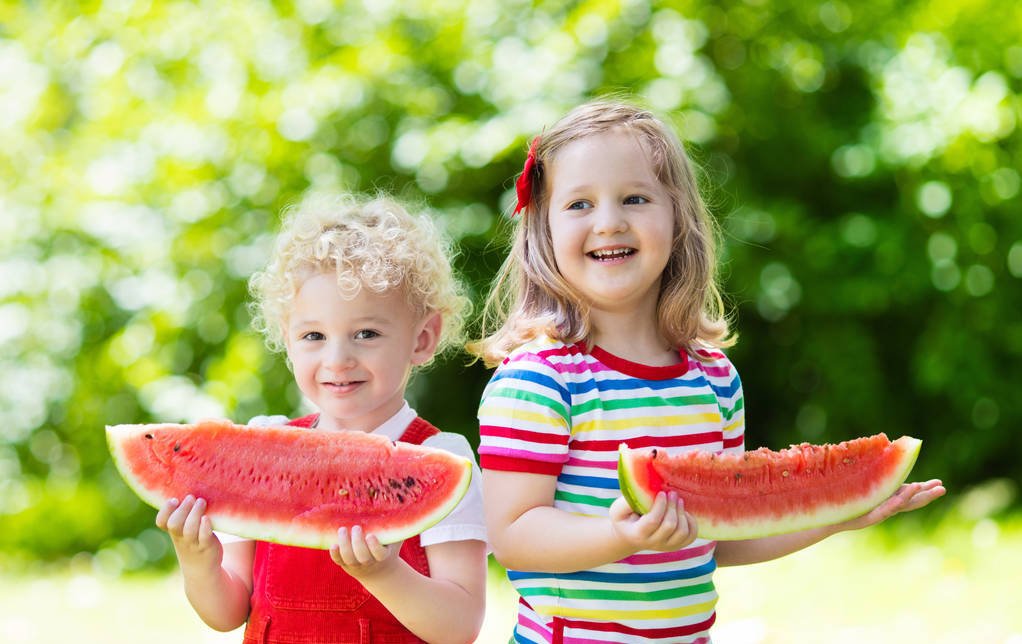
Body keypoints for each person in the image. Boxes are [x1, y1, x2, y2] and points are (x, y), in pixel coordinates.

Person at [468, 100, 946, 643]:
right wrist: (621, 536)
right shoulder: (538, 380)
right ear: (543, 232)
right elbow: (512, 533)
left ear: (677, 219)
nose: (609, 222)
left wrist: (838, 514)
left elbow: (723, 532)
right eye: (579, 204)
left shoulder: (713, 378)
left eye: (635, 198)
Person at [155, 193, 487, 644]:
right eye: (313, 335)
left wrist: (385, 573)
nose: (337, 359)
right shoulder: (263, 447)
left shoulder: (440, 457)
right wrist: (197, 561)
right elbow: (227, 612)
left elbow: (460, 626)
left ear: (422, 338)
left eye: (365, 334)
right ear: (287, 341)